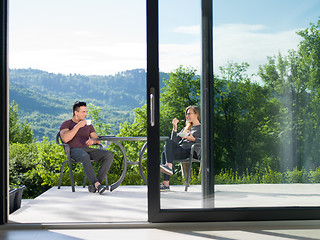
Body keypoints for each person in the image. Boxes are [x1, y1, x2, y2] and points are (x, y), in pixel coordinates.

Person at [60, 101, 114, 194]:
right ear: (76, 112)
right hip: (73, 150)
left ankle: (95, 186)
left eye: (86, 111)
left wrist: (93, 140)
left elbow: (97, 139)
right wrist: (78, 126)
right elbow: (65, 139)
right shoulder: (66, 124)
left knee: (109, 155)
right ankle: (97, 185)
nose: (86, 114)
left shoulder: (88, 125)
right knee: (85, 156)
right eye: (83, 112)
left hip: (87, 150)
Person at [160, 105, 201, 191]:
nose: (187, 116)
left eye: (189, 113)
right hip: (182, 150)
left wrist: (193, 139)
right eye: (186, 114)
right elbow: (174, 141)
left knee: (166, 148)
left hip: (191, 151)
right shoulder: (186, 128)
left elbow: (206, 141)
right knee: (165, 149)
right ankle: (166, 183)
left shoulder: (202, 128)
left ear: (196, 114)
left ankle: (169, 169)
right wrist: (175, 127)